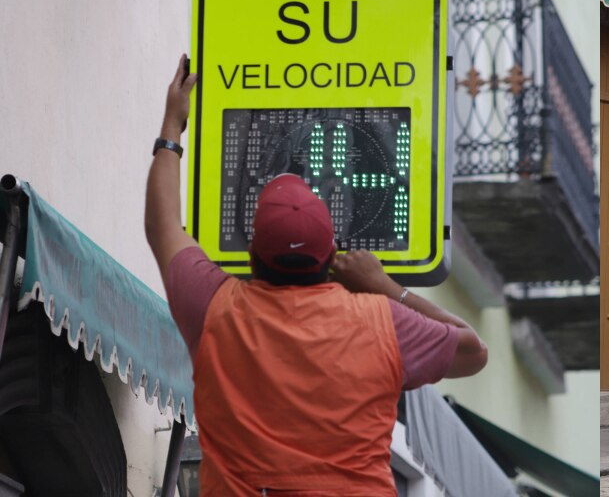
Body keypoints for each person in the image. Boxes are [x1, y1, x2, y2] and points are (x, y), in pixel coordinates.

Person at [144, 55, 488, 495]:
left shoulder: (214, 308)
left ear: (251, 256)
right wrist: (385, 287)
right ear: (331, 256)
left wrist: (172, 125)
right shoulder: (381, 322)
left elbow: (162, 225)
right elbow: (473, 351)